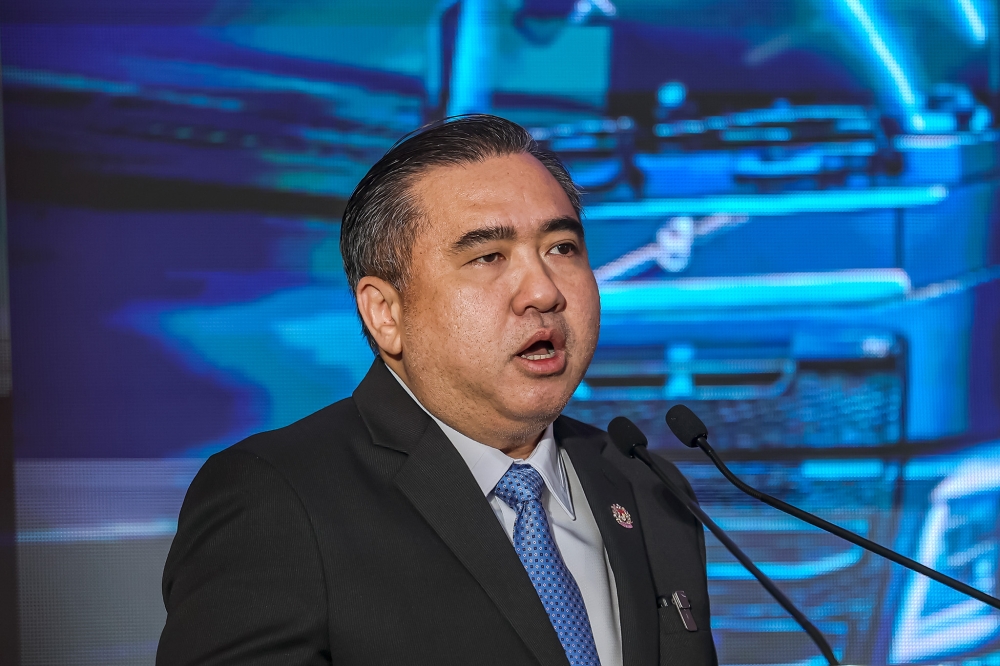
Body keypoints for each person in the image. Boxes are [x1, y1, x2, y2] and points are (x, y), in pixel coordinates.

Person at [157, 115, 717, 666]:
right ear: (386, 314)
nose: (543, 292)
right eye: (488, 256)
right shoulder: (278, 498)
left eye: (562, 248)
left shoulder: (644, 485)